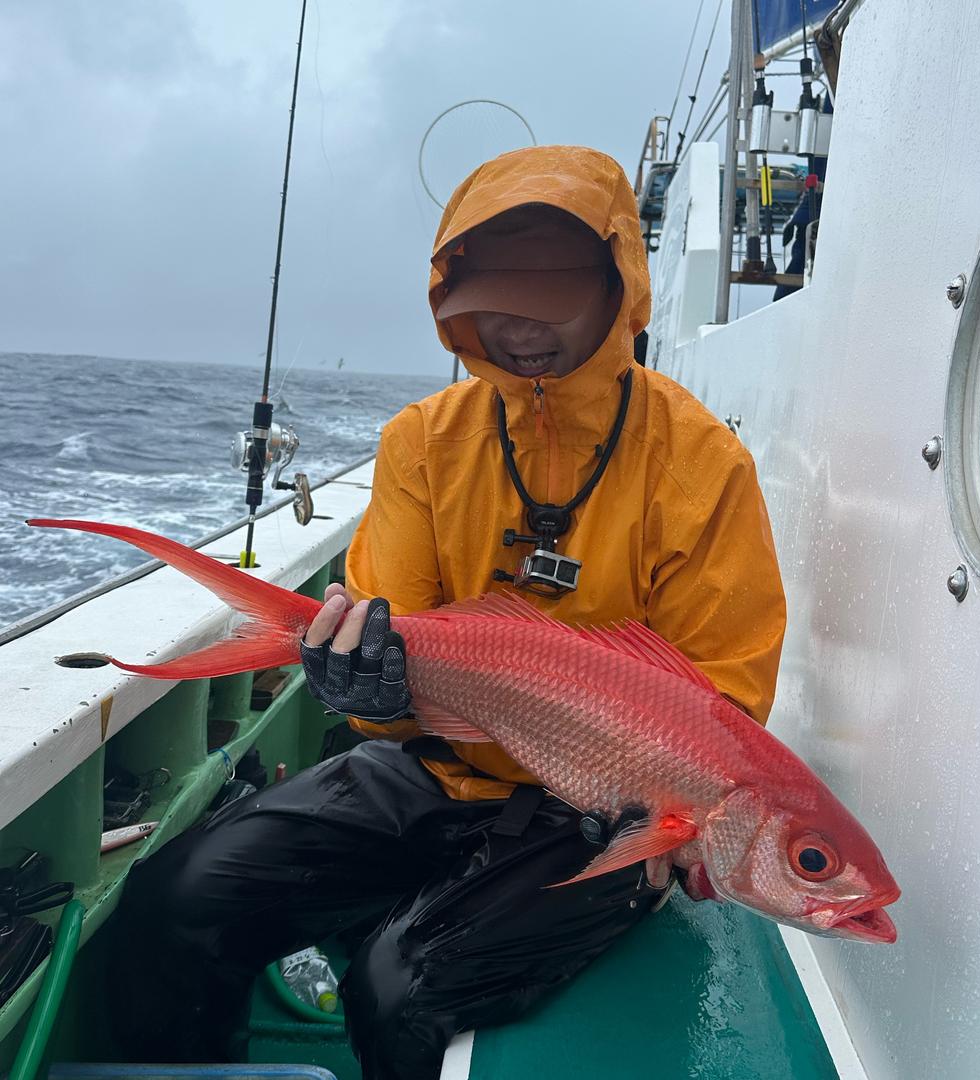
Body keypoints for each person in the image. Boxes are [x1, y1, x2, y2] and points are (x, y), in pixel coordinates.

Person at [113, 145, 787, 1079]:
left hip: (591, 814)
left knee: (399, 990)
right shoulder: (421, 444)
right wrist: (365, 687)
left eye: (553, 302)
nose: (521, 332)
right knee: (175, 900)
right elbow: (391, 667)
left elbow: (721, 701)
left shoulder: (705, 468)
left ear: (622, 288)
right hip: (434, 770)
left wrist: (669, 817)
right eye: (496, 308)